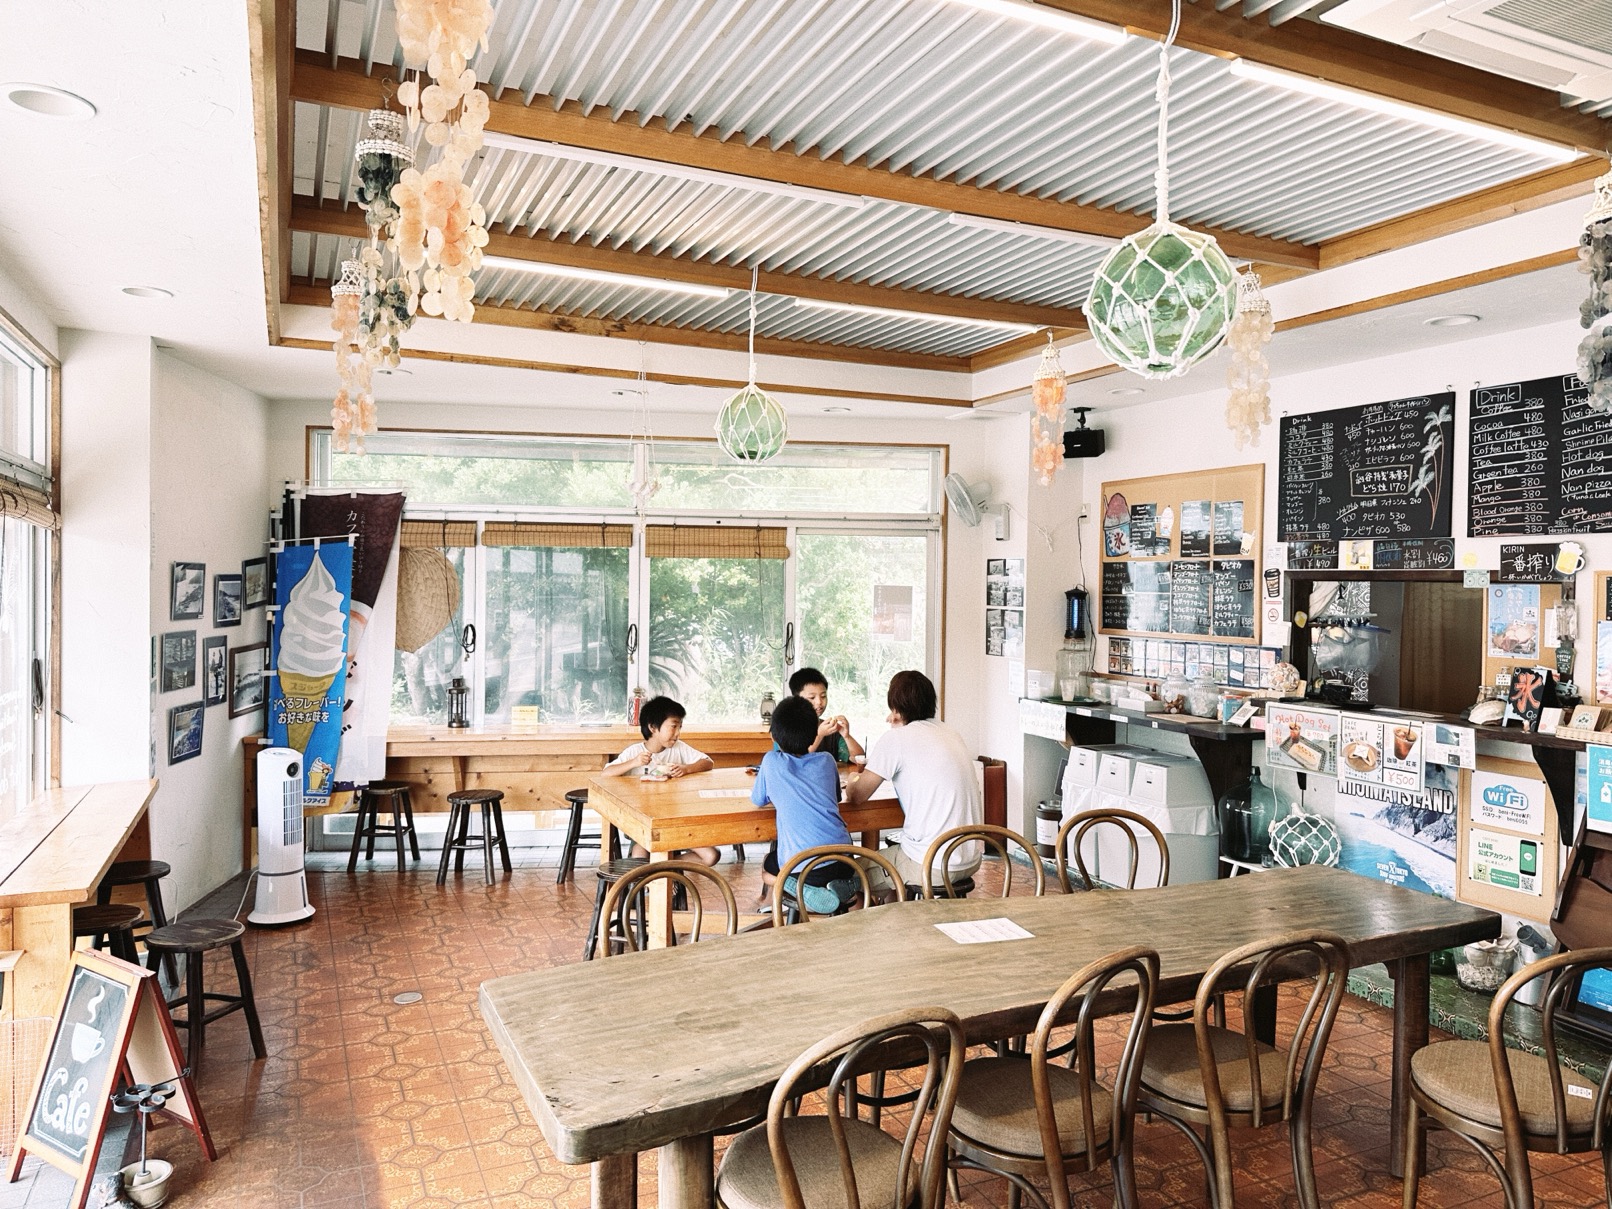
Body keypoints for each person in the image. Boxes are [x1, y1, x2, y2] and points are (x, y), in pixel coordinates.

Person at [843, 670, 982, 891]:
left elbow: (857, 795)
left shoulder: (896, 738)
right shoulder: (950, 732)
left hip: (931, 863)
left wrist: (853, 778)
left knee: (849, 874)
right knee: (892, 862)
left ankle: (887, 910)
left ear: (896, 708)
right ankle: (899, 908)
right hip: (971, 858)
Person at [751, 695, 860, 916]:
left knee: (768, 868)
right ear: (814, 734)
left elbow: (758, 799)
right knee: (830, 869)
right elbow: (835, 797)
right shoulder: (827, 760)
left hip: (804, 867)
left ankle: (805, 891)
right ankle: (840, 886)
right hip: (845, 859)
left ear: (773, 736)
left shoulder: (771, 762)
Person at [601, 695, 719, 866]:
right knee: (639, 857)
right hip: (643, 824)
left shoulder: (679, 748)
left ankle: (660, 869)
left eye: (680, 727)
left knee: (711, 856)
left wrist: (686, 769)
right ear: (653, 727)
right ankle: (657, 872)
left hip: (675, 822)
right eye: (673, 726)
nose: (677, 733)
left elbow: (708, 762)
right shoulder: (635, 752)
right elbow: (606, 774)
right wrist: (634, 763)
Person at [787, 667, 865, 764]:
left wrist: (847, 737)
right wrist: (819, 735)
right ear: (796, 699)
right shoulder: (786, 728)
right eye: (812, 697)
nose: (819, 702)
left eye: (823, 696)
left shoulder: (830, 729)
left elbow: (859, 759)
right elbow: (795, 762)